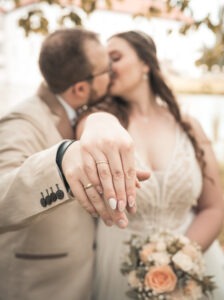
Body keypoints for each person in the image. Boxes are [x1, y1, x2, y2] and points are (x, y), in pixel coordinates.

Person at [87, 31, 224, 299]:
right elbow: (88, 134)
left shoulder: (188, 126)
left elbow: (213, 208)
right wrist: (96, 120)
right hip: (118, 269)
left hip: (189, 263)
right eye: (103, 63)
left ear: (146, 63)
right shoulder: (99, 122)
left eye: (116, 57)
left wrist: (176, 263)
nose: (107, 68)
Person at [0, 28, 150, 300]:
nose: (112, 73)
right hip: (36, 289)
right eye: (107, 69)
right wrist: (59, 162)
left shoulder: (84, 109)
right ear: (81, 88)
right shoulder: (22, 122)